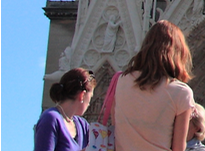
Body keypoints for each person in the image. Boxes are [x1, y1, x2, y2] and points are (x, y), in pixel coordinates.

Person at [115, 20, 194, 151]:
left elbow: (117, 126)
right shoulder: (181, 92)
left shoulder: (122, 81)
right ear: (178, 52)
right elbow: (178, 148)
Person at [34, 67, 96, 151]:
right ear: (82, 95)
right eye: (90, 98)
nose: (89, 104)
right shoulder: (51, 118)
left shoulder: (83, 125)